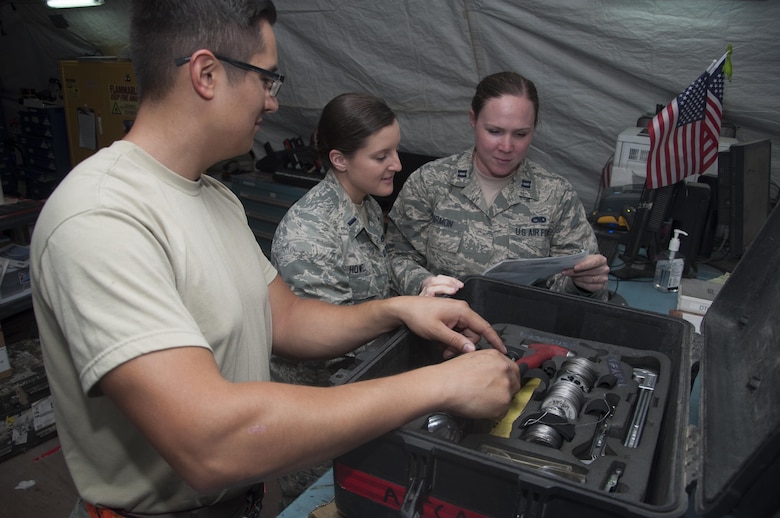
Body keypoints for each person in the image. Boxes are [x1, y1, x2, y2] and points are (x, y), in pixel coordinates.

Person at [29, 3, 520, 518]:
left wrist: (398, 310)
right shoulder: (100, 216)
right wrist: (438, 386)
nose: (272, 101)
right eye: (268, 79)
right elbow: (209, 442)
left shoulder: (214, 197)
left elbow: (283, 318)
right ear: (206, 73)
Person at [269, 92, 399, 506]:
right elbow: (338, 343)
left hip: (357, 407)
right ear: (340, 160)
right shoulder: (310, 235)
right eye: (382, 156)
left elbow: (380, 279)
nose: (396, 164)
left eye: (395, 150)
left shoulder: (365, 207)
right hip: (319, 423)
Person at [386, 71, 610, 300]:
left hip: (520, 328)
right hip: (441, 323)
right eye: (494, 131)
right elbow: (396, 255)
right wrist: (424, 282)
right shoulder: (430, 182)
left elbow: (580, 286)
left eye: (521, 134)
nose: (506, 146)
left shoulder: (556, 195)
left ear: (534, 128)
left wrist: (582, 284)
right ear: (473, 120)